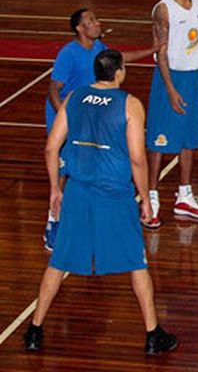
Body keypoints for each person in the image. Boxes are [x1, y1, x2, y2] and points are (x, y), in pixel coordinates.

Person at [24, 49, 178, 356]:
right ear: (119, 72)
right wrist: (146, 198)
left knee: (58, 262)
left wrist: (55, 189)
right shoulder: (130, 104)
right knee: (137, 263)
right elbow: (137, 159)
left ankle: (34, 331)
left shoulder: (74, 97)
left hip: (78, 192)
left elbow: (51, 147)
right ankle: (152, 335)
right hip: (114, 195)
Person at [43, 8, 162, 250]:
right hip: (69, 116)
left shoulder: (99, 48)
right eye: (92, 20)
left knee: (86, 166)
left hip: (89, 116)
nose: (98, 23)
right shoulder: (68, 54)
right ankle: (53, 222)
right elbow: (54, 89)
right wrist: (67, 118)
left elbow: (119, 57)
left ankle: (86, 219)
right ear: (80, 28)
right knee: (63, 171)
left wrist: (152, 50)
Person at [146, 0, 198, 229]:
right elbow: (161, 52)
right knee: (159, 141)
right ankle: (151, 199)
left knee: (189, 138)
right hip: (171, 79)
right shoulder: (163, 9)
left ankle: (184, 196)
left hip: (194, 77)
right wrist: (170, 88)